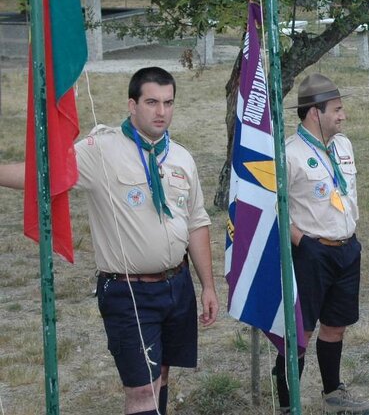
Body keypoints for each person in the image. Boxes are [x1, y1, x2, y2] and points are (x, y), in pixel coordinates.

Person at [0, 67, 218, 415]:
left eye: (168, 102)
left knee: (160, 376)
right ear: (132, 105)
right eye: (151, 102)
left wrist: (207, 285)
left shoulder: (180, 157)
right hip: (129, 291)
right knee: (142, 390)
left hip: (177, 286)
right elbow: (43, 170)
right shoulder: (100, 149)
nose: (161, 112)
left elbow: (196, 223)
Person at [274, 74, 369, 415]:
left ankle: (333, 394)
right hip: (311, 252)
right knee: (300, 329)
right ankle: (289, 404)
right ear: (314, 113)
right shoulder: (289, 154)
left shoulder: (342, 146)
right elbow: (273, 205)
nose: (342, 116)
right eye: (336, 109)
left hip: (346, 247)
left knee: (336, 324)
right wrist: (301, 241)